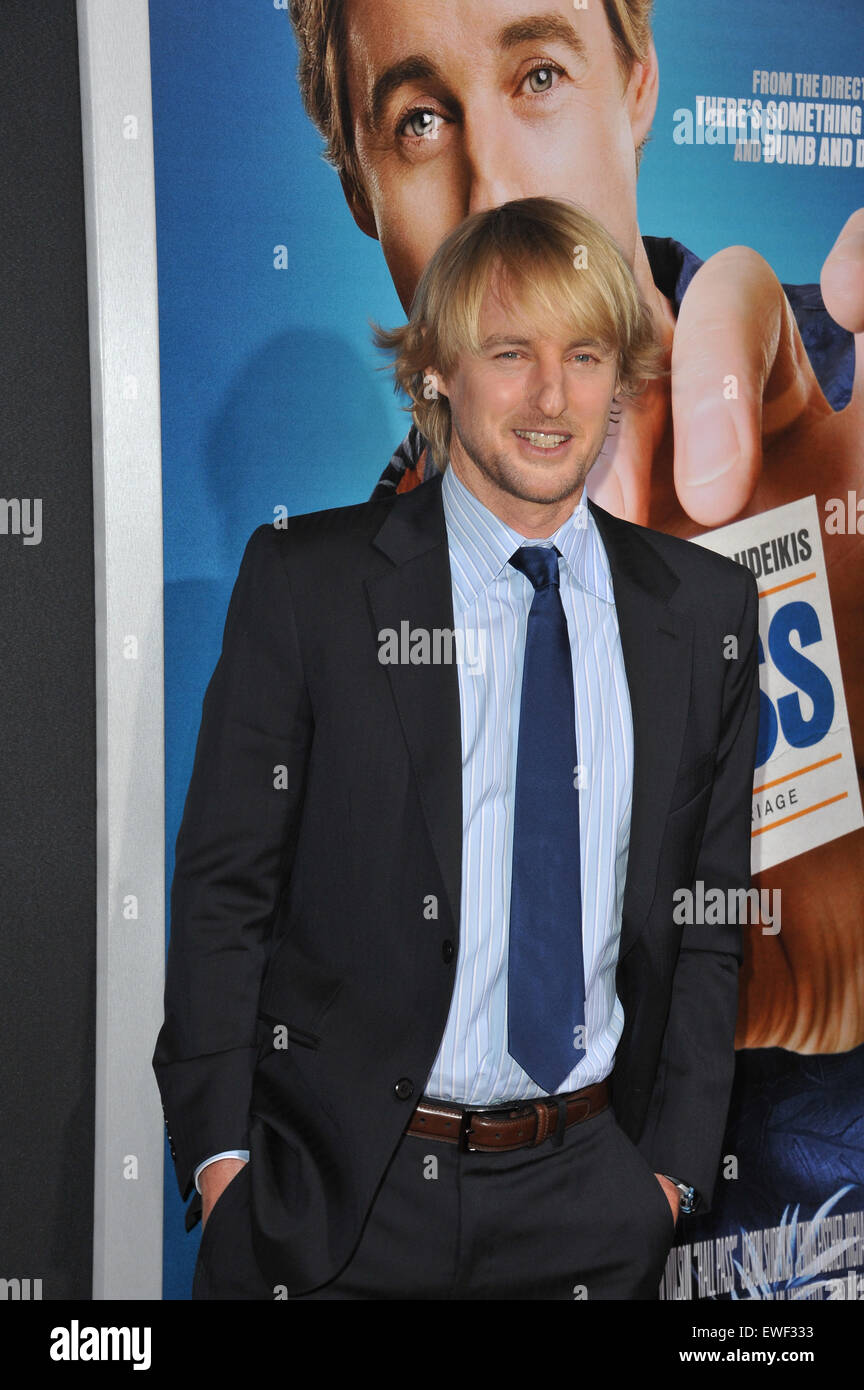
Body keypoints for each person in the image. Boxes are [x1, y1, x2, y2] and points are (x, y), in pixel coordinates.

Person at [153, 197, 760, 1300]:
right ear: (436, 370)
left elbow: (710, 920)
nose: (550, 397)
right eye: (509, 353)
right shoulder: (310, 585)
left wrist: (668, 1175)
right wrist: (224, 1161)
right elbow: (222, 890)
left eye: (584, 355)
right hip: (337, 1203)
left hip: (593, 1202)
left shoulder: (705, 612)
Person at [286, 0, 864, 1058]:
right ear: (361, 194)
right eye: (419, 121)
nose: (495, 187)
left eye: (539, 76)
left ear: (637, 76)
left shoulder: (846, 420)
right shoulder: (336, 640)